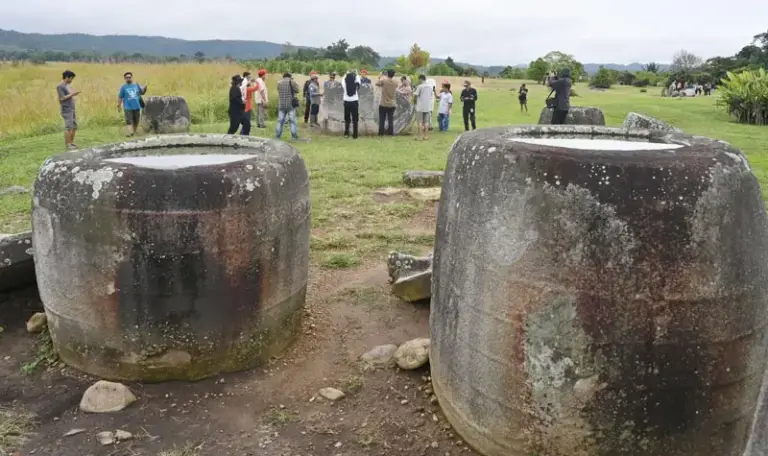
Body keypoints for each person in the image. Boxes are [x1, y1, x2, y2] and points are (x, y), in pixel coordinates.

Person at [117, 71, 148, 137]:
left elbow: (142, 92)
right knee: (129, 120)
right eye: (127, 77)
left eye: (130, 77)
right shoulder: (123, 87)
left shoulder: (136, 85)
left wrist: (145, 89)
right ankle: (131, 133)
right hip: (127, 107)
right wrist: (119, 105)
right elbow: (120, 96)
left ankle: (133, 132)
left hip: (137, 106)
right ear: (125, 79)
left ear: (132, 77)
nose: (128, 78)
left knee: (136, 120)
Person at [276, 72, 304, 141]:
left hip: (281, 104)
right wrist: (294, 81)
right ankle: (294, 136)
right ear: (289, 76)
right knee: (292, 121)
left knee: (280, 121)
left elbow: (279, 91)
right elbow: (297, 90)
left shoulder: (279, 82)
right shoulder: (292, 81)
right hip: (290, 105)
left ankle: (278, 136)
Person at [57, 70, 80, 150]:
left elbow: (69, 96)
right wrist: (73, 94)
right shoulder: (60, 86)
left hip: (71, 108)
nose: (71, 80)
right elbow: (62, 98)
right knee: (68, 127)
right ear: (67, 77)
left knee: (74, 126)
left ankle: (71, 143)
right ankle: (68, 144)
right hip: (66, 109)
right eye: (71, 78)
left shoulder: (67, 85)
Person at [376, 69, 398, 136]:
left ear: (387, 74)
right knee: (390, 119)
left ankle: (381, 133)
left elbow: (377, 83)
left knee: (382, 119)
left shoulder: (384, 80)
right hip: (392, 104)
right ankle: (390, 133)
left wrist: (380, 76)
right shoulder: (395, 82)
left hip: (383, 103)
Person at [341, 70, 361, 139]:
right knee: (355, 119)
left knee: (347, 118)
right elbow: (358, 79)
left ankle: (346, 133)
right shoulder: (356, 84)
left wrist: (346, 73)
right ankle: (355, 135)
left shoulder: (344, 84)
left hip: (346, 102)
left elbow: (343, 79)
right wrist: (356, 73)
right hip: (354, 102)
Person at [414, 75, 433, 140]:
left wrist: (414, 102)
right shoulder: (430, 87)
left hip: (420, 107)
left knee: (420, 122)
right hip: (427, 107)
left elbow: (416, 95)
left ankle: (420, 136)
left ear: (421, 79)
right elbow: (431, 95)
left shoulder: (419, 86)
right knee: (426, 122)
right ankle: (426, 136)